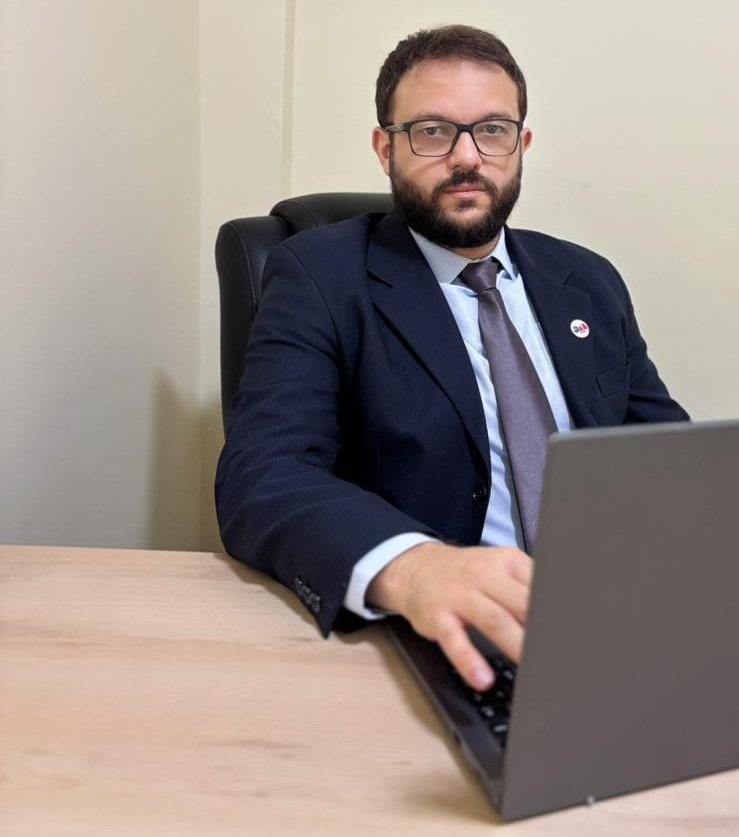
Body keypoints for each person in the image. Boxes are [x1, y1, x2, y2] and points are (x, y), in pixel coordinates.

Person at [216, 24, 688, 693]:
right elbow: (264, 474)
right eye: (433, 132)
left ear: (522, 145)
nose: (467, 156)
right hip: (441, 639)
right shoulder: (320, 276)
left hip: (612, 624)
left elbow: (667, 456)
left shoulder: (586, 279)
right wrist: (415, 567)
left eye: (492, 130)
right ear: (386, 147)